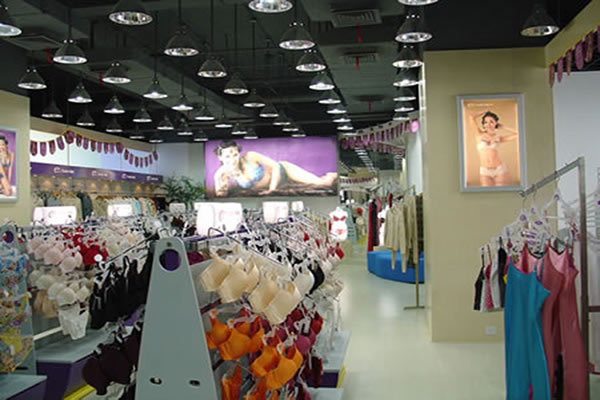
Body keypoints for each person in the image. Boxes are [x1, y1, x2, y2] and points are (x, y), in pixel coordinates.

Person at [213, 140, 337, 197]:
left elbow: (276, 166)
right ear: (220, 157)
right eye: (227, 156)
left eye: (235, 155)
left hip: (284, 171)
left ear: (239, 153)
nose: (232, 159)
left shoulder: (250, 156)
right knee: (321, 181)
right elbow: (220, 195)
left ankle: (334, 174)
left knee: (323, 183)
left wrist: (272, 190)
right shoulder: (221, 174)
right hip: (279, 183)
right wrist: (223, 181)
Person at [469, 111, 518, 187]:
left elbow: (519, 134)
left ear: (496, 124)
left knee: (501, 192)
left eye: (491, 122)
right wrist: (485, 110)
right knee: (486, 193)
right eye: (486, 122)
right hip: (485, 171)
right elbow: (471, 117)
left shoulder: (499, 138)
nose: (488, 124)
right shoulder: (478, 134)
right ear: (483, 124)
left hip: (499, 170)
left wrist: (503, 127)